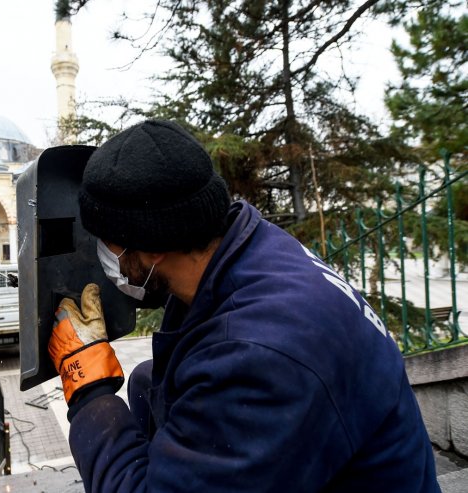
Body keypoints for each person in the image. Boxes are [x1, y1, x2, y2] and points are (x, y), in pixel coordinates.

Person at [47, 120, 440, 492]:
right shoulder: (255, 247)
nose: (101, 254)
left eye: (106, 241)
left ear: (151, 247)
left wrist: (89, 389)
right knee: (148, 381)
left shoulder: (257, 359)